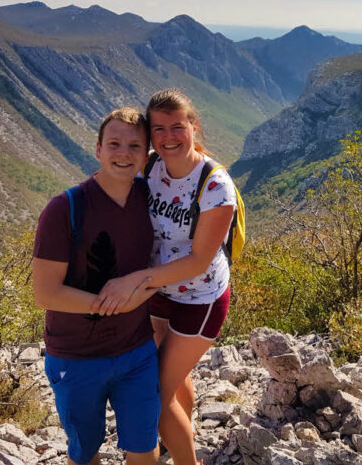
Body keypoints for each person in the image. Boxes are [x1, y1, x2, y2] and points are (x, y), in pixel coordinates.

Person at [94, 89, 236, 465]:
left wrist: (134, 281)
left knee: (154, 390)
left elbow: (198, 260)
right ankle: (180, 433)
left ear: (194, 126)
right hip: (158, 291)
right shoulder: (153, 165)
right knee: (170, 377)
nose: (169, 136)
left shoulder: (215, 186)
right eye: (159, 128)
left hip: (200, 299)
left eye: (178, 126)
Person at [32, 107, 160, 465]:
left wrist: (138, 293)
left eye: (135, 146)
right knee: (85, 452)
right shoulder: (65, 208)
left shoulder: (151, 199)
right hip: (76, 358)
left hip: (137, 351)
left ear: (147, 156)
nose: (124, 153)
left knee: (144, 449)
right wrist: (114, 303)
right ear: (98, 149)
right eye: (114, 143)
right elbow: (45, 292)